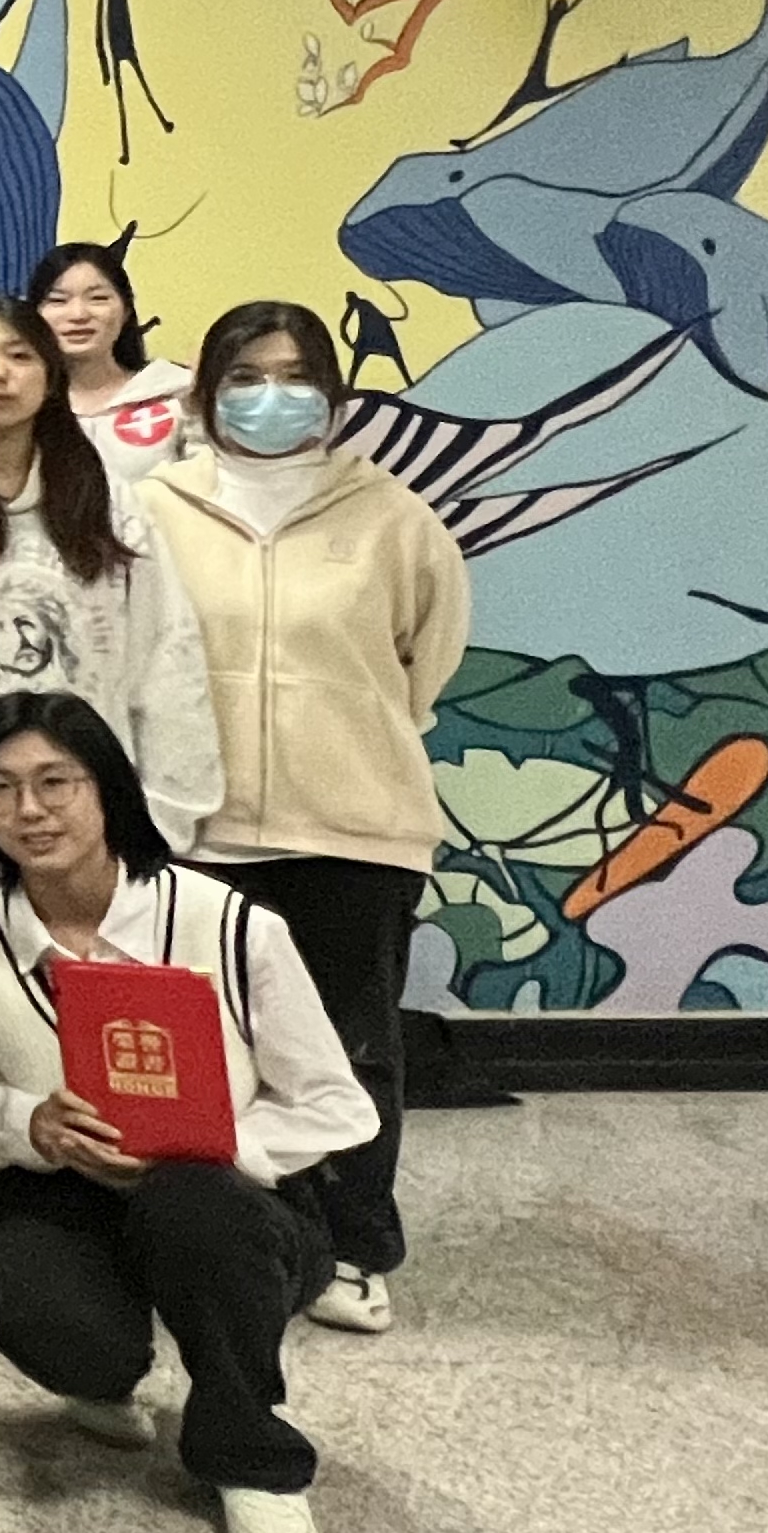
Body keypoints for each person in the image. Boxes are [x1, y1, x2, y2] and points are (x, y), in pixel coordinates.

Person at [0, 691, 376, 1533]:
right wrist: (31, 1124)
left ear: (108, 789)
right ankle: (101, 1376)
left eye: (55, 782)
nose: (28, 810)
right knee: (49, 1327)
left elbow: (337, 1104)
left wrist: (213, 1142)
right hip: (68, 1192)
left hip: (229, 1203)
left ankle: (249, 1457)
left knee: (191, 1205)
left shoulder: (228, 924)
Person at [0, 296, 222, 1273]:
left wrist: (168, 808)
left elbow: (163, 653)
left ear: (49, 375)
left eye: (18, 354)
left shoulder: (103, 496)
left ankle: (94, 1220)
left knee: (72, 1033)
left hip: (80, 826)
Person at [138, 300, 468, 1336]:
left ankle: (354, 1246)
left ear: (330, 392)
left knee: (350, 1050)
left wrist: (341, 728)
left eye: (293, 376)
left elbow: (425, 661)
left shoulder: (393, 518)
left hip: (353, 826)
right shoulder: (152, 509)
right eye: (245, 376)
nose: (269, 396)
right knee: (207, 1055)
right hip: (196, 831)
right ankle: (232, 1246)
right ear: (206, 393)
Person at [30, 241, 198, 481]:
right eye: (58, 300)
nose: (78, 314)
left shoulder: (179, 395)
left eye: (98, 298)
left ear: (126, 311)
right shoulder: (23, 407)